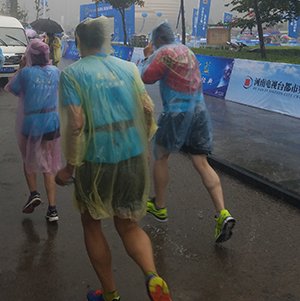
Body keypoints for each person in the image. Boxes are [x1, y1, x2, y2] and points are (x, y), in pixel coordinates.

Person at [56, 17, 171, 301]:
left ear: (79, 42)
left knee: (91, 223)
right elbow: (147, 109)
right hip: (132, 152)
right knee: (128, 224)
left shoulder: (72, 74)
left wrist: (69, 167)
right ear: (105, 39)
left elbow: (76, 123)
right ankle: (152, 276)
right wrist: (143, 146)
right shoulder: (129, 68)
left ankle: (109, 294)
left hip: (95, 158)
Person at [139, 21, 235, 244]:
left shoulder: (163, 53)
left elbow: (146, 77)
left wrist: (147, 57)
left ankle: (159, 206)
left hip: (176, 112)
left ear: (158, 39)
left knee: (161, 156)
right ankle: (222, 212)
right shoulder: (186, 51)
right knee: (201, 162)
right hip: (199, 112)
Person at [5, 39, 61, 222]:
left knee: (29, 158)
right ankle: (52, 209)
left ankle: (34, 193)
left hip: (32, 123)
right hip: (52, 122)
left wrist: (21, 68)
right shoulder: (55, 71)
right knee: (48, 164)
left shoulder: (26, 73)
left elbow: (12, 88)